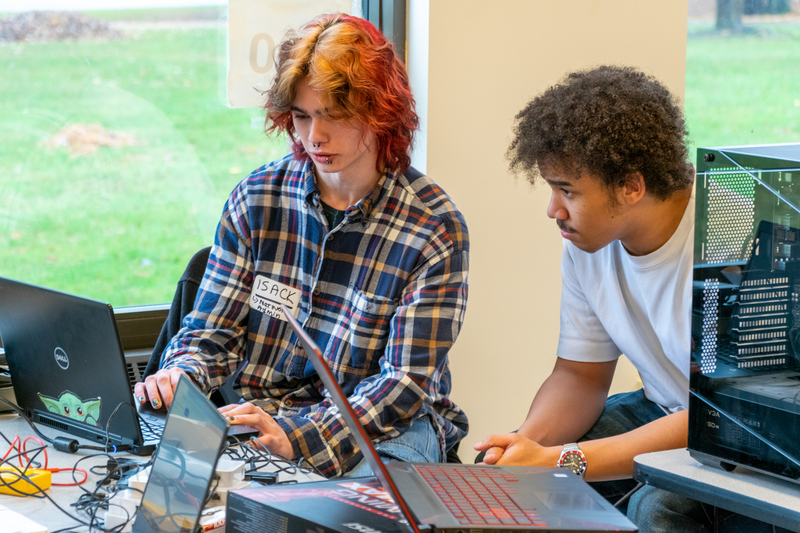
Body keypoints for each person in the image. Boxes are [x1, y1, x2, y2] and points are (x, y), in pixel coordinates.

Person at [134, 13, 469, 479]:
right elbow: (211, 334)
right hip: (261, 415)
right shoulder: (257, 199)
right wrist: (181, 376)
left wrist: (297, 437)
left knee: (349, 506)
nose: (315, 136)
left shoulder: (432, 227)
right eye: (302, 115)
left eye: (334, 115)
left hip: (384, 431)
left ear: (381, 113)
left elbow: (402, 386)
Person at [473, 65, 702, 531]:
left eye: (567, 191)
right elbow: (580, 376)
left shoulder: (725, 244)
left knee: (655, 508)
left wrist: (561, 459)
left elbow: (713, 417)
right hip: (663, 410)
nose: (552, 210)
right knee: (510, 482)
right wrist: (524, 449)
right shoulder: (586, 245)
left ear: (632, 187)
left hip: (733, 432)